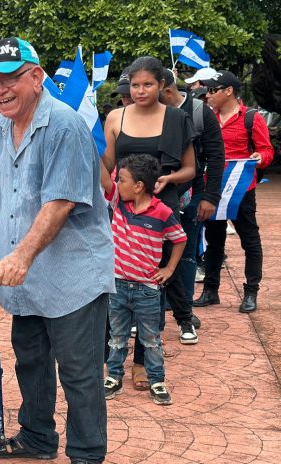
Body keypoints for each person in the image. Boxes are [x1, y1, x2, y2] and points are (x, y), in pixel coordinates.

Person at [0, 37, 114, 463]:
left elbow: (60, 203)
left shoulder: (64, 125)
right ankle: (37, 439)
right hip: (25, 278)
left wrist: (20, 256)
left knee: (78, 372)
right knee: (30, 362)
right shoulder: (1, 125)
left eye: (11, 79)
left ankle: (87, 454)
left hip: (72, 276)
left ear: (36, 76)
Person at [102, 56, 198, 353]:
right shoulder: (116, 117)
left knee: (152, 283)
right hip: (122, 207)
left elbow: (190, 168)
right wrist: (100, 175)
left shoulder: (176, 118)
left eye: (148, 84)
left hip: (160, 207)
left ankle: (144, 362)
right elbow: (106, 161)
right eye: (135, 85)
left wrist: (168, 181)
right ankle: (112, 352)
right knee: (115, 278)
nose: (140, 90)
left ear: (162, 85)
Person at [101, 154, 186, 406]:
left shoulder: (162, 212)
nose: (117, 183)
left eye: (122, 180)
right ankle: (114, 376)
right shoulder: (119, 202)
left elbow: (179, 239)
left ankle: (157, 379)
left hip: (148, 289)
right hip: (117, 285)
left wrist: (169, 269)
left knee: (150, 338)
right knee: (116, 336)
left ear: (138, 186)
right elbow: (104, 178)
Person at [193, 70, 274, 313]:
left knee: (250, 240)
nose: (207, 95)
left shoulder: (251, 118)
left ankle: (251, 291)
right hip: (213, 189)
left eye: (212, 90)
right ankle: (210, 290)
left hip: (241, 189)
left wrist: (260, 158)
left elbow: (267, 150)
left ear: (228, 91)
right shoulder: (207, 117)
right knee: (213, 241)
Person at [160, 69, 225, 314]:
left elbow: (216, 156)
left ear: (166, 89)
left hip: (191, 194)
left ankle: (183, 307)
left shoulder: (199, 111)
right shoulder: (151, 112)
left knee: (186, 251)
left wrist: (210, 197)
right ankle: (158, 303)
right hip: (158, 193)